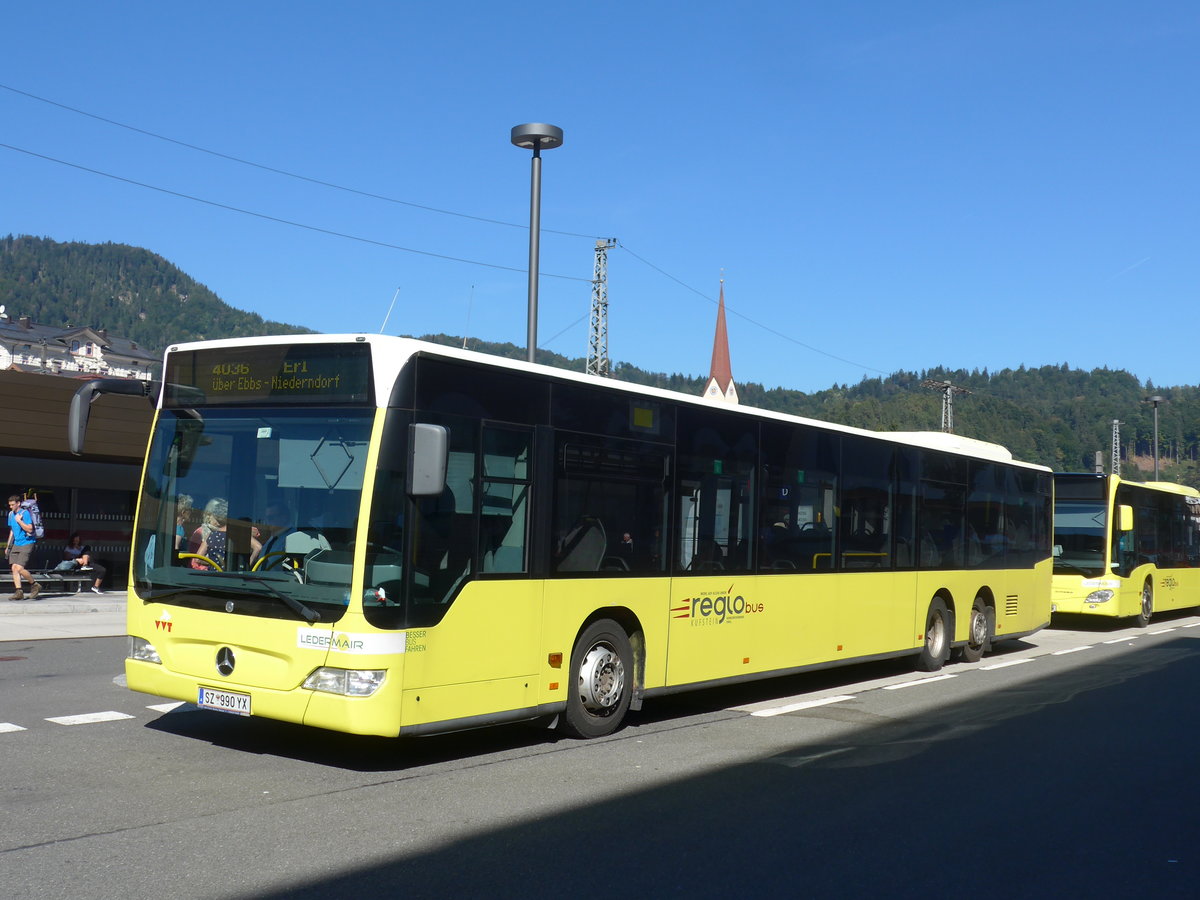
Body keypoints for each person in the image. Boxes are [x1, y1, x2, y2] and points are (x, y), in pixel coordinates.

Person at [6, 494, 39, 600]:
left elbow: (30, 529)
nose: (11, 507)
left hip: (27, 542)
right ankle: (19, 591)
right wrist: (8, 546)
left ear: (18, 503)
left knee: (20, 568)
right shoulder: (11, 514)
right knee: (14, 568)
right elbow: (12, 530)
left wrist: (19, 521)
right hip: (16, 543)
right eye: (10, 505)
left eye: (12, 504)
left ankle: (35, 585)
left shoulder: (25, 514)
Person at [190, 497, 229, 570]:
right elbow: (195, 558)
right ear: (209, 514)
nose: (219, 521)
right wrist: (214, 561)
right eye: (217, 516)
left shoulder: (220, 533)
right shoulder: (200, 532)